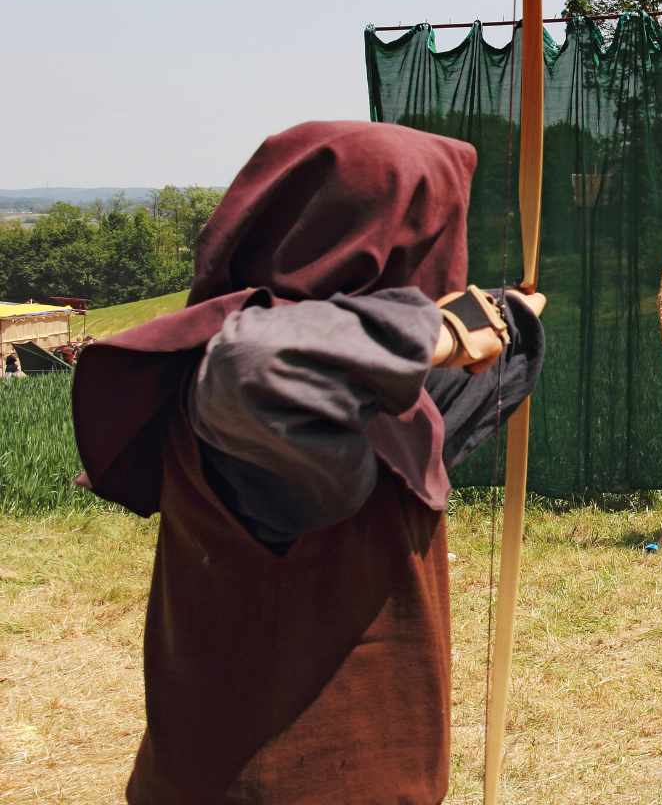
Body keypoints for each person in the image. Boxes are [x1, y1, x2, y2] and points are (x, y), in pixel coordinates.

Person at [72, 120, 545, 804]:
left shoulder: (378, 408)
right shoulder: (252, 403)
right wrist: (440, 328)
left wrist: (511, 322)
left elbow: (445, 396)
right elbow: (262, 363)